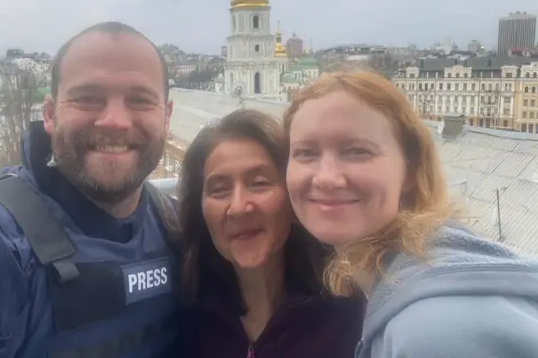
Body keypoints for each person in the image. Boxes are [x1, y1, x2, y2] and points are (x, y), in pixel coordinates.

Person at [0, 22, 182, 358]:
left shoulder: (181, 229)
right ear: (49, 114)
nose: (115, 121)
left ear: (166, 117)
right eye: (89, 98)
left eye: (140, 100)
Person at [284, 69, 538, 358]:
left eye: (356, 151)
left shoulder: (436, 334)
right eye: (306, 153)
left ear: (411, 169)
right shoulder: (416, 278)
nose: (326, 178)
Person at [178, 108, 364, 357]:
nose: (239, 208)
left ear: (294, 197)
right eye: (219, 190)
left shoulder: (350, 312)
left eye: (259, 183)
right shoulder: (186, 316)